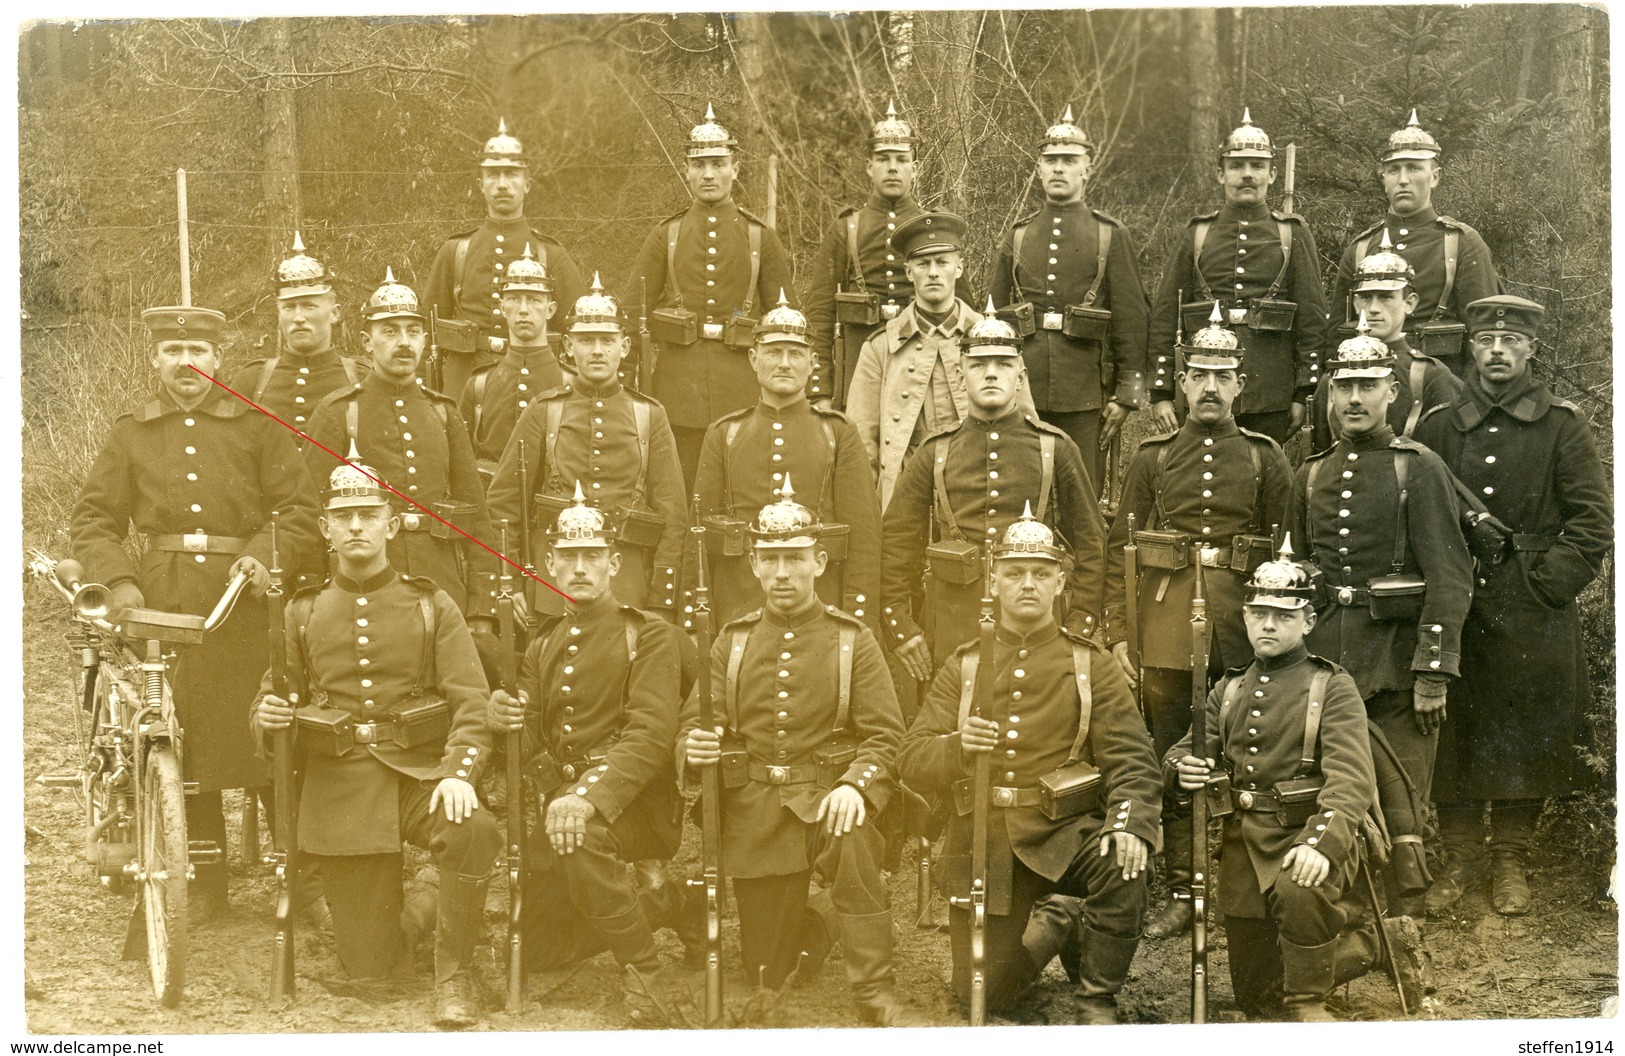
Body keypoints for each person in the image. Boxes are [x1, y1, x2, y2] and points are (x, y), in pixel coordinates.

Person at [70, 304, 321, 918]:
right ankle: (204, 884)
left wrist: (266, 557)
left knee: (269, 735)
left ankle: (304, 878)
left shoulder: (258, 426)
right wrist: (123, 583)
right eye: (172, 353)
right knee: (183, 740)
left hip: (249, 603)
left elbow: (299, 511)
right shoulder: (133, 432)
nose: (187, 364)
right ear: (155, 360)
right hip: (166, 603)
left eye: (200, 352)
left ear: (219, 359)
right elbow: (94, 519)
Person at [251, 459, 500, 1028]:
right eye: (345, 518)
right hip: (340, 787)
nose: (357, 527)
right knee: (373, 970)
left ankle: (455, 979)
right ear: (326, 530)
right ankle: (430, 897)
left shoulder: (431, 604)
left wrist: (459, 772)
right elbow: (273, 696)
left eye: (369, 515)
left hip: (419, 773)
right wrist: (266, 716)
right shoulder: (302, 609)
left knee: (474, 829)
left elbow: (471, 701)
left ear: (391, 526)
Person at [899, 509, 1160, 1022]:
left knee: (1123, 864)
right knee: (982, 995)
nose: (1027, 584)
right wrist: (958, 745)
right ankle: (1058, 923)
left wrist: (1129, 825)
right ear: (993, 580)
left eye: (1041, 573)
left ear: (1061, 582)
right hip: (986, 840)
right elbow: (911, 756)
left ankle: (1096, 998)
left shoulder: (1091, 662)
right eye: (1015, 572)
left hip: (1065, 832)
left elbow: (1133, 759)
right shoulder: (965, 663)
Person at [678, 492, 922, 1026]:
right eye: (771, 559)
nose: (783, 572)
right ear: (755, 565)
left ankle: (873, 990)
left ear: (819, 561)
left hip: (825, 799)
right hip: (755, 810)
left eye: (795, 558)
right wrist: (694, 749)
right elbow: (694, 722)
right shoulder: (731, 641)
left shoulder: (851, 640)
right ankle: (827, 920)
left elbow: (886, 735)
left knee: (852, 838)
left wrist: (856, 786)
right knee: (768, 970)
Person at [1414, 295, 1612, 916]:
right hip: (1457, 597)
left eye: (1511, 342)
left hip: (1532, 604)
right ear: (1471, 348)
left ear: (1531, 349)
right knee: (1457, 724)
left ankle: (1512, 859)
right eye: (1486, 341)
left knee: (1525, 725)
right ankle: (1463, 854)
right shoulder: (1440, 425)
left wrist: (1545, 584)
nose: (1497, 351)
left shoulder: (1563, 424)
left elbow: (1594, 521)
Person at [1167, 540, 1422, 1021]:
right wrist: (1182, 768)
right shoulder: (1230, 686)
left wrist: (1320, 845)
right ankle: (1373, 948)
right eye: (1260, 613)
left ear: (1308, 622)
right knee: (1255, 998)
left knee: (1299, 893)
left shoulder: (1332, 686)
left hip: (1307, 834)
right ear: (1245, 616)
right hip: (1246, 843)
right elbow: (1186, 747)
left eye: (1283, 616)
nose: (1268, 624)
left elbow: (1351, 782)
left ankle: (1317, 993)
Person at [1102, 308, 1293, 939]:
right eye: (1198, 375)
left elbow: (1289, 551)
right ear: (1181, 384)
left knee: (1242, 749)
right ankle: (1184, 888)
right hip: (1164, 625)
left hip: (1242, 626)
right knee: (1173, 751)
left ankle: (1239, 883)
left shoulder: (1267, 459)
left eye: (1222, 376)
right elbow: (1118, 550)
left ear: (1242, 385)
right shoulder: (1153, 459)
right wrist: (1122, 631)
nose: (1209, 388)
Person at [486, 492, 690, 1024]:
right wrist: (503, 718)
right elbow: (531, 736)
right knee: (537, 948)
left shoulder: (647, 633)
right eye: (568, 556)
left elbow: (650, 734)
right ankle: (664, 905)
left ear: (613, 564)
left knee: (580, 844)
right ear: (550, 564)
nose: (579, 568)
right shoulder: (543, 641)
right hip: (564, 807)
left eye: (593, 556)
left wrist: (586, 798)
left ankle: (646, 970)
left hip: (634, 804)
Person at [1292, 324, 1474, 916]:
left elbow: (1450, 577)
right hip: (1328, 657)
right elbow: (1297, 574)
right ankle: (1337, 909)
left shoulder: (1416, 467)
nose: (1353, 399)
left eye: (1367, 385)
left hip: (1397, 658)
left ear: (1392, 391)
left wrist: (1432, 671)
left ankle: (1404, 917)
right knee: (1333, 787)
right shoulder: (1311, 473)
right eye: (1343, 386)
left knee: (1399, 793)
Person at [879, 307, 1102, 678]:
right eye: (979, 365)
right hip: (950, 628)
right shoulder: (935, 451)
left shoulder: (1056, 448)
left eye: (1003, 363)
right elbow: (895, 542)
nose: (992, 373)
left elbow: (1092, 542)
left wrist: (1078, 624)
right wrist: (902, 629)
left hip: (1040, 627)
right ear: (960, 372)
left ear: (1020, 375)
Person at [485, 276, 686, 619]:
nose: (596, 351)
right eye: (586, 340)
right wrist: (510, 582)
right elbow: (503, 504)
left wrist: (661, 601)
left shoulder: (649, 415)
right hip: (553, 583)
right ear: (567, 346)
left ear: (624, 347)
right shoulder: (543, 409)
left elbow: (673, 515)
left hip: (627, 581)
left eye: (607, 341)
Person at [304, 268, 497, 619]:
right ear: (366, 341)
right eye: (390, 331)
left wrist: (481, 608)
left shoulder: (443, 412)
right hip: (362, 586)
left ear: (425, 339)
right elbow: (308, 513)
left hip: (440, 583)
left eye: (413, 332)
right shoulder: (339, 411)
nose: (404, 342)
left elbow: (476, 514)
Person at [688, 292, 881, 628]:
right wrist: (695, 621)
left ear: (813, 362)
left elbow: (864, 541)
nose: (784, 363)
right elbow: (698, 536)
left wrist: (856, 621)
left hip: (821, 607)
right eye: (773, 352)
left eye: (795, 354)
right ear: (752, 358)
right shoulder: (725, 433)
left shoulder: (838, 432)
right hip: (739, 605)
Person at [629, 104, 795, 485]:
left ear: (735, 169)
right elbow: (630, 313)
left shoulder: (760, 238)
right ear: (686, 170)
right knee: (682, 493)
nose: (709, 174)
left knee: (740, 491)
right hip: (676, 393)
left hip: (743, 390)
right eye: (699, 164)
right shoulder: (665, 236)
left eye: (719, 164)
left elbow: (788, 321)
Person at [991, 105, 1151, 482]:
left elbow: (1132, 318)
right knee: (1024, 489)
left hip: (1085, 394)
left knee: (1082, 494)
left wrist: (1127, 394)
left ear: (1087, 169)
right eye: (1050, 160)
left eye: (1069, 160)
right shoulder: (1018, 235)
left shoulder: (1109, 234)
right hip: (1022, 391)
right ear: (1038, 168)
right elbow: (992, 316)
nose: (1058, 168)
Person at [1147, 109, 1326, 445]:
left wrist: (1304, 393)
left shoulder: (1293, 235)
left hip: (1269, 393)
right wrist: (1161, 391)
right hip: (1204, 389)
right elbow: (1164, 315)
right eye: (1236, 166)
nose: (1247, 175)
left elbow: (1312, 321)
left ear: (1272, 174)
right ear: (1220, 174)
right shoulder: (1197, 234)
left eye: (1257, 166)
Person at [845, 211, 1035, 509]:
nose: (933, 272)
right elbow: (861, 443)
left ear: (958, 268)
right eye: (923, 263)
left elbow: (1026, 429)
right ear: (909, 272)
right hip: (904, 493)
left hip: (978, 488)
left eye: (942, 262)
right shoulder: (880, 347)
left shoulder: (994, 338)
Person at [804, 100, 971, 411]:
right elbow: (820, 312)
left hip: (922, 358)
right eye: (883, 159)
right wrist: (820, 391)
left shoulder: (934, 229)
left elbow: (964, 312)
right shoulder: (846, 228)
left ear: (914, 168)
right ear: (869, 166)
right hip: (857, 359)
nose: (892, 167)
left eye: (901, 159)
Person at [1329, 110, 1502, 378]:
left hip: (1443, 393)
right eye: (1393, 170)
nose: (1403, 180)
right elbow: (1336, 336)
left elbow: (1486, 335)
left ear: (1435, 177)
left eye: (1414, 168)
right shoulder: (1361, 248)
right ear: (1383, 179)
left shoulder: (1461, 244)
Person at [424, 119, 586, 397]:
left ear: (527, 184)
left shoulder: (551, 254)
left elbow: (578, 332)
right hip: (464, 385)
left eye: (511, 174)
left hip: (535, 387)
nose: (502, 184)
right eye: (493, 175)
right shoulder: (456, 251)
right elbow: (425, 332)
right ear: (480, 184)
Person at [1311, 236, 1462, 449]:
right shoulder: (1334, 376)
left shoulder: (1430, 377)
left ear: (1410, 303)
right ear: (1355, 303)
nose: (1373, 308)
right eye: (1365, 297)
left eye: (1386, 297)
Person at [230, 232, 359, 440]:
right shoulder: (251, 381)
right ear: (279, 314)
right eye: (289, 307)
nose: (298, 317)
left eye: (309, 306)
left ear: (334, 313)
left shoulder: (361, 377)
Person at [459, 245, 565, 477]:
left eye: (535, 300)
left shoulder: (570, 381)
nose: (523, 309)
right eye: (514, 299)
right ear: (502, 307)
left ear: (551, 309)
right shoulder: (480, 383)